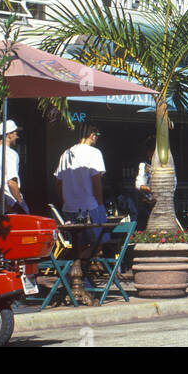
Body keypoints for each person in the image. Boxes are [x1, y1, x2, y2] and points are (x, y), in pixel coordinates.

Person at [54, 125, 107, 306]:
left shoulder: (65, 154)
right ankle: (74, 272)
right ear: (92, 135)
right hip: (89, 205)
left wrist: (64, 201)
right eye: (97, 134)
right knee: (99, 241)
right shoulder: (94, 153)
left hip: (69, 206)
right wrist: (100, 205)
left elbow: (58, 182)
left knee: (78, 243)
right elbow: (96, 181)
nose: (97, 137)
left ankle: (78, 277)